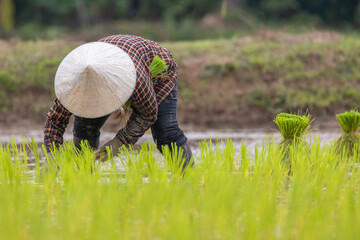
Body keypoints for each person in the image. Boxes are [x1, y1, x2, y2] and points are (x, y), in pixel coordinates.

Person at [44, 34, 193, 169]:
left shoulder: (137, 81)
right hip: (111, 59)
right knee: (84, 128)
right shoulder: (73, 84)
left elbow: (147, 114)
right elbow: (55, 120)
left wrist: (119, 142)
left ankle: (189, 179)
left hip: (157, 68)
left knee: (166, 132)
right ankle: (84, 181)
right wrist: (52, 154)